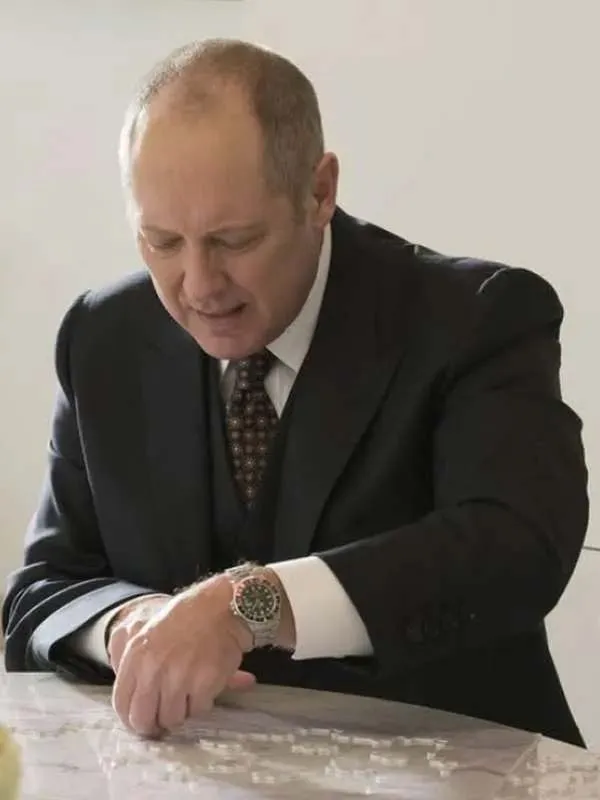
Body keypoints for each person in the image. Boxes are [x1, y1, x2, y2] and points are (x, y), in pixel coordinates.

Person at [2, 39, 588, 746]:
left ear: (319, 192)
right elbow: (45, 590)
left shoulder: (478, 316)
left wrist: (248, 604)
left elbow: (517, 548)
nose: (199, 286)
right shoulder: (103, 335)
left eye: (234, 240)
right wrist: (129, 626)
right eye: (162, 242)